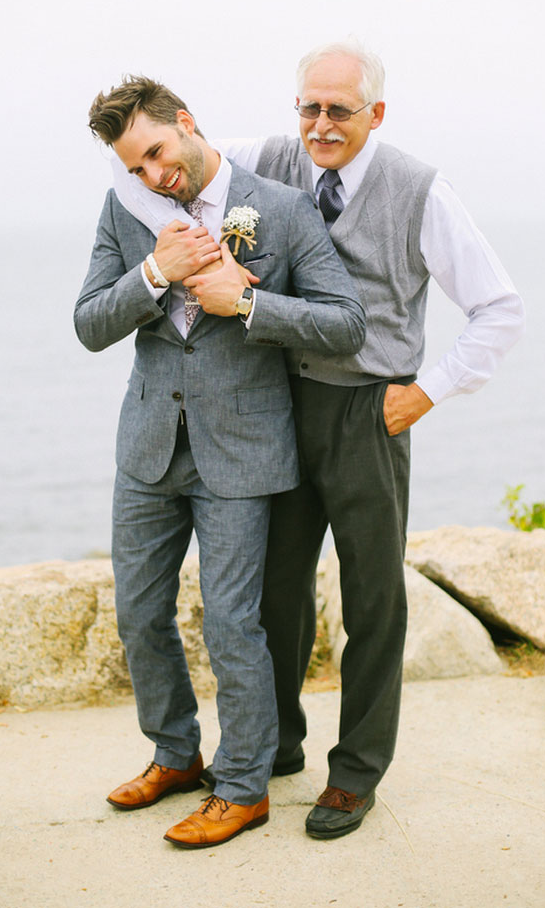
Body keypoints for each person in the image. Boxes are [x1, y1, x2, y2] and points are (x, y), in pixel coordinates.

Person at [112, 43, 525, 841]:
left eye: (340, 108)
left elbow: (500, 308)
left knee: (372, 601)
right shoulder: (268, 158)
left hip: (371, 414)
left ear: (376, 112)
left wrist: (426, 391)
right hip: (279, 408)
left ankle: (357, 771)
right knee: (274, 594)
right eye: (309, 106)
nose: (321, 124)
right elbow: (163, 158)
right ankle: (278, 747)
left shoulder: (420, 189)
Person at [74, 75, 365, 849]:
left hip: (241, 453)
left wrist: (250, 304)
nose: (153, 176)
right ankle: (174, 755)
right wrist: (154, 273)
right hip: (147, 450)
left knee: (234, 623)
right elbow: (88, 324)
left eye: (158, 154)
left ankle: (243, 786)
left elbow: (346, 324)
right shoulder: (128, 214)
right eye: (135, 167)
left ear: (187, 124)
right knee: (139, 613)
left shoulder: (281, 209)